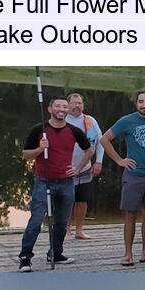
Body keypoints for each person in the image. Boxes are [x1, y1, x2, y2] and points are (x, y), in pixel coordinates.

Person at [17, 95, 92, 272]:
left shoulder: (74, 130)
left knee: (61, 222)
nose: (62, 110)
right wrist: (40, 149)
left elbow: (89, 150)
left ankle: (56, 253)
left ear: (68, 110)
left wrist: (78, 168)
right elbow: (25, 155)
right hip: (44, 181)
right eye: (58, 106)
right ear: (50, 109)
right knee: (36, 221)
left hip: (66, 182)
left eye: (65, 107)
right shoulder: (39, 130)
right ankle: (25, 257)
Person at [102, 89, 145, 266]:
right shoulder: (127, 121)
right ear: (136, 103)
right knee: (130, 215)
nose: (144, 105)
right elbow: (104, 139)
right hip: (133, 175)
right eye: (141, 102)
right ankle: (127, 254)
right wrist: (119, 160)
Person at [64, 93, 103, 241]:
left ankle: (79, 230)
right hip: (66, 168)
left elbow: (100, 141)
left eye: (79, 103)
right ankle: (66, 230)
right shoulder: (62, 121)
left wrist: (98, 161)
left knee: (82, 199)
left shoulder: (90, 121)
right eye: (73, 103)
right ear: (68, 105)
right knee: (67, 199)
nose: (76, 106)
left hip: (85, 167)